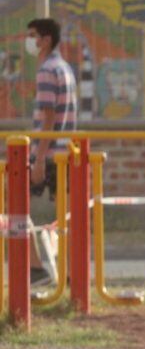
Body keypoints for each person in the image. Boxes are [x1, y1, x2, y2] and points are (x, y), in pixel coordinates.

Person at [26, 18, 77, 285]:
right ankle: (69, 273)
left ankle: (36, 268)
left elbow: (48, 115)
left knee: (13, 205)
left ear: (45, 40)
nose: (30, 41)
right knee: (65, 213)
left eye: (32, 35)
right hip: (63, 152)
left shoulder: (47, 69)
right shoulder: (64, 67)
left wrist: (38, 160)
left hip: (46, 154)